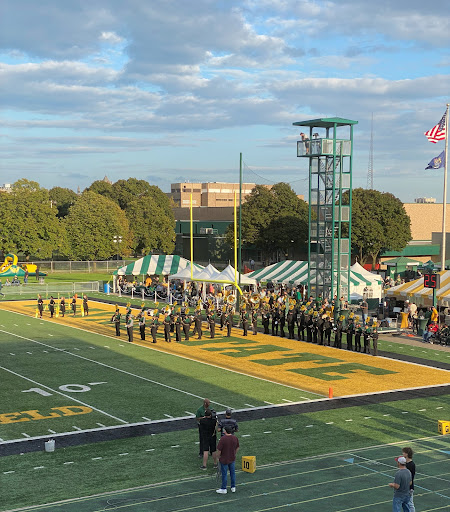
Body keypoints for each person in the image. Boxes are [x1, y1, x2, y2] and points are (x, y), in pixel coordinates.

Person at [216, 424, 240, 494]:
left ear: (225, 431)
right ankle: (233, 487)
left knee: (224, 474)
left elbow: (219, 450)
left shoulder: (223, 439)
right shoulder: (235, 438)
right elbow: (237, 447)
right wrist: (234, 453)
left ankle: (224, 488)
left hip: (224, 459)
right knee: (232, 473)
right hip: (232, 458)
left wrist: (218, 457)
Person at [402, 447, 416, 512]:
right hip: (406, 487)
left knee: (410, 503)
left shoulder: (411, 465)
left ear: (407, 454)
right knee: (406, 503)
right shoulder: (406, 464)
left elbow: (409, 478)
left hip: (408, 487)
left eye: (404, 452)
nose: (403, 454)